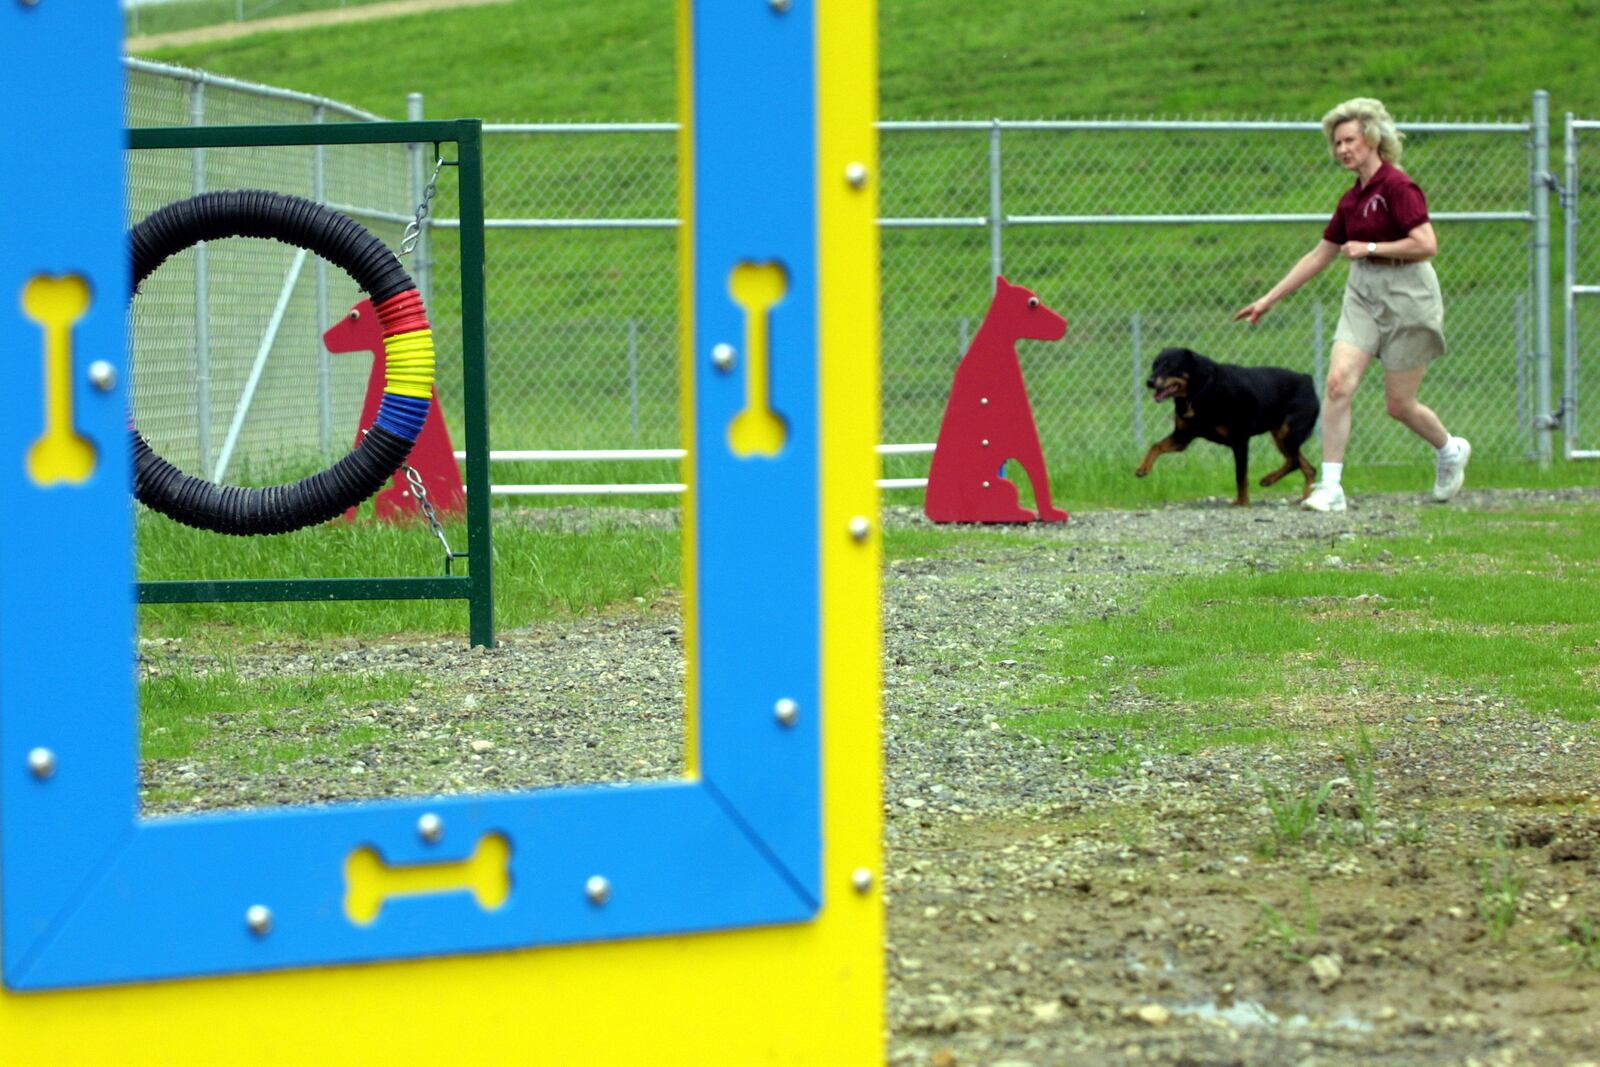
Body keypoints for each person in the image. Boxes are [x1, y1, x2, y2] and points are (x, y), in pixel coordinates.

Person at [1234, 97, 1469, 513]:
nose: (1342, 149)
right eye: (1337, 142)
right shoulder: (1350, 200)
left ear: (1373, 139)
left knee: (1399, 405)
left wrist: (1373, 246)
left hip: (1408, 294)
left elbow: (1426, 244)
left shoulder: (1398, 187)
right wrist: (1268, 299)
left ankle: (1449, 449)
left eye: (1349, 140)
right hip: (1363, 292)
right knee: (1338, 383)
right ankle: (1331, 487)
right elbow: (1320, 255)